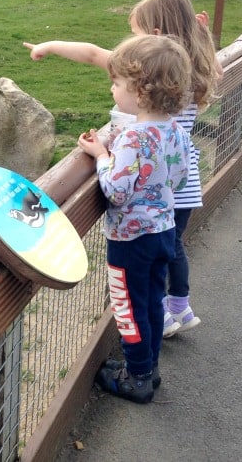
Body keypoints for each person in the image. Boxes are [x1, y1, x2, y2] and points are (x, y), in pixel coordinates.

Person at [23, 0, 221, 339]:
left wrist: (49, 46)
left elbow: (91, 53)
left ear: (157, 35)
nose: (131, 43)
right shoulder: (190, 73)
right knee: (172, 247)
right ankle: (178, 307)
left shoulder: (147, 78)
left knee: (151, 254)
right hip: (179, 180)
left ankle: (156, 320)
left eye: (137, 33)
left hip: (149, 185)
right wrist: (202, 33)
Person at [76, 34, 191, 403]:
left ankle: (137, 377)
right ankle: (149, 367)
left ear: (139, 92)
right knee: (152, 300)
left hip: (130, 239)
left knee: (128, 306)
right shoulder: (175, 129)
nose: (113, 89)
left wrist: (101, 156)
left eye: (117, 83)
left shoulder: (132, 139)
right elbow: (180, 177)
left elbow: (116, 190)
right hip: (163, 231)